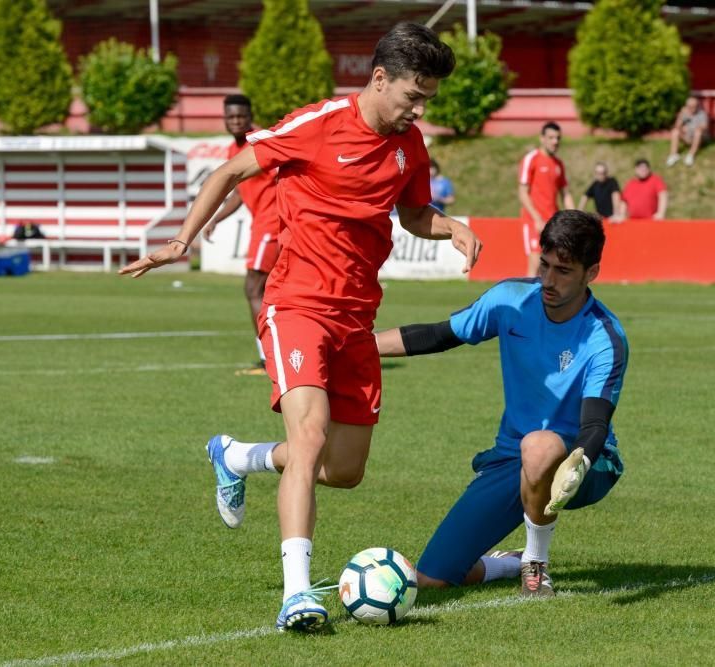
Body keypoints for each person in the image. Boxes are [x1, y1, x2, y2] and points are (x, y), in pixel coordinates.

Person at [118, 23, 480, 632]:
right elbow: (231, 171)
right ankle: (296, 596)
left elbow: (415, 213)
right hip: (297, 306)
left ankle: (238, 457)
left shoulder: (408, 146)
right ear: (380, 78)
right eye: (414, 96)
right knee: (310, 440)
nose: (419, 110)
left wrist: (452, 227)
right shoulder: (316, 124)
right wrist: (182, 239)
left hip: (357, 318)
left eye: (428, 100)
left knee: (343, 470)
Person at [374, 210, 627, 596]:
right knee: (434, 577)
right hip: (513, 458)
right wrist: (357, 347)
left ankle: (535, 563)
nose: (548, 280)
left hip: (586, 463)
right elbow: (440, 335)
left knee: (539, 445)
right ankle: (506, 564)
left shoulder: (604, 337)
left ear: (591, 273)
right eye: (544, 265)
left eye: (563, 271)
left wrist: (580, 460)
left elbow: (594, 424)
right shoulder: (509, 299)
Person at [202, 94, 281, 376]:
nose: (236, 121)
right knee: (273, 292)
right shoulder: (233, 150)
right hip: (261, 224)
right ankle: (280, 354)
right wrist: (216, 219)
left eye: (241, 117)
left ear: (250, 116)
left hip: (273, 224)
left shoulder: (261, 142)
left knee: (253, 289)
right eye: (231, 117)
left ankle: (268, 358)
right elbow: (238, 192)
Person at [518, 122, 573, 278]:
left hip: (552, 223)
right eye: (551, 137)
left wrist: (574, 218)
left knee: (551, 269)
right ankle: (526, 302)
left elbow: (566, 194)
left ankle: (545, 302)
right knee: (535, 265)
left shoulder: (558, 164)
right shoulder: (531, 159)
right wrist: (537, 219)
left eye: (558, 138)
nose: (555, 141)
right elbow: (523, 193)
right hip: (533, 221)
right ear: (542, 138)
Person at [666, 95, 708, 167]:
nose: (691, 108)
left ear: (697, 106)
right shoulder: (684, 113)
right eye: (689, 106)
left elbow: (704, 126)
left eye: (693, 106)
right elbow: (677, 126)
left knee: (698, 132)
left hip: (698, 138)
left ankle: (691, 155)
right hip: (686, 137)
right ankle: (673, 155)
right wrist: (681, 116)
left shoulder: (702, 114)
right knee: (675, 132)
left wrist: (693, 129)